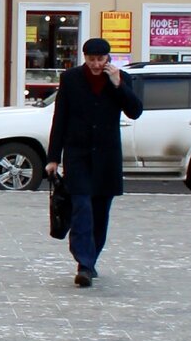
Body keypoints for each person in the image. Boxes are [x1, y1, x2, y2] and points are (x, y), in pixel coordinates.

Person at [44, 37, 143, 288]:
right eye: (91, 59)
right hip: (78, 154)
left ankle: (91, 260)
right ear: (84, 58)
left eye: (101, 59)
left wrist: (118, 84)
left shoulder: (120, 79)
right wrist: (53, 157)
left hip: (107, 156)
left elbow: (135, 111)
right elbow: (60, 117)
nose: (96, 64)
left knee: (100, 213)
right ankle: (84, 264)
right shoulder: (71, 79)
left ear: (108, 58)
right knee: (81, 208)